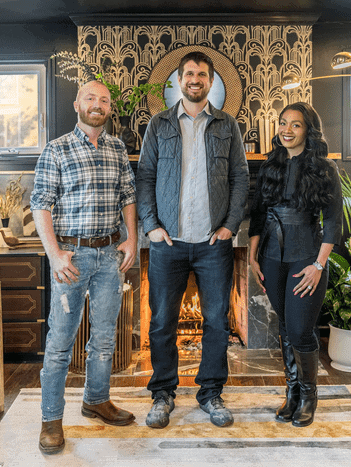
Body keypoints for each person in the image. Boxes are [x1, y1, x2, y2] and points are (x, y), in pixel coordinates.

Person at [136, 50, 249, 429]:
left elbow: (240, 179)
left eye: (202, 73)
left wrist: (230, 226)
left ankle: (210, 392)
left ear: (211, 81)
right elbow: (145, 177)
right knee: (162, 321)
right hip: (167, 242)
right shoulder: (159, 124)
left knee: (217, 320)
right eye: (188, 74)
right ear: (179, 81)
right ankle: (163, 393)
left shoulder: (227, 125)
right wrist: (151, 224)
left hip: (213, 244)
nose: (195, 79)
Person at [31, 78, 138, 454]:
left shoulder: (117, 149)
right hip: (70, 259)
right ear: (77, 104)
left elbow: (128, 195)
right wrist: (54, 254)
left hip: (110, 256)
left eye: (104, 100)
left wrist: (132, 238)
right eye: (90, 98)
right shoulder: (56, 149)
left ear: (109, 109)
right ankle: (50, 421)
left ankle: (96, 400)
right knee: (60, 344)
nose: (97, 104)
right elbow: (40, 203)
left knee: (105, 338)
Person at [248, 102, 342, 427]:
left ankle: (309, 395)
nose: (287, 130)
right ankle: (292, 393)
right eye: (283, 123)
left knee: (301, 329)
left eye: (296, 125)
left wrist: (319, 265)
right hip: (272, 257)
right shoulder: (270, 165)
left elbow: (332, 224)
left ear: (308, 130)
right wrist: (252, 254)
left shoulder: (325, 169)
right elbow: (259, 214)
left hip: (307, 256)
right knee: (285, 326)